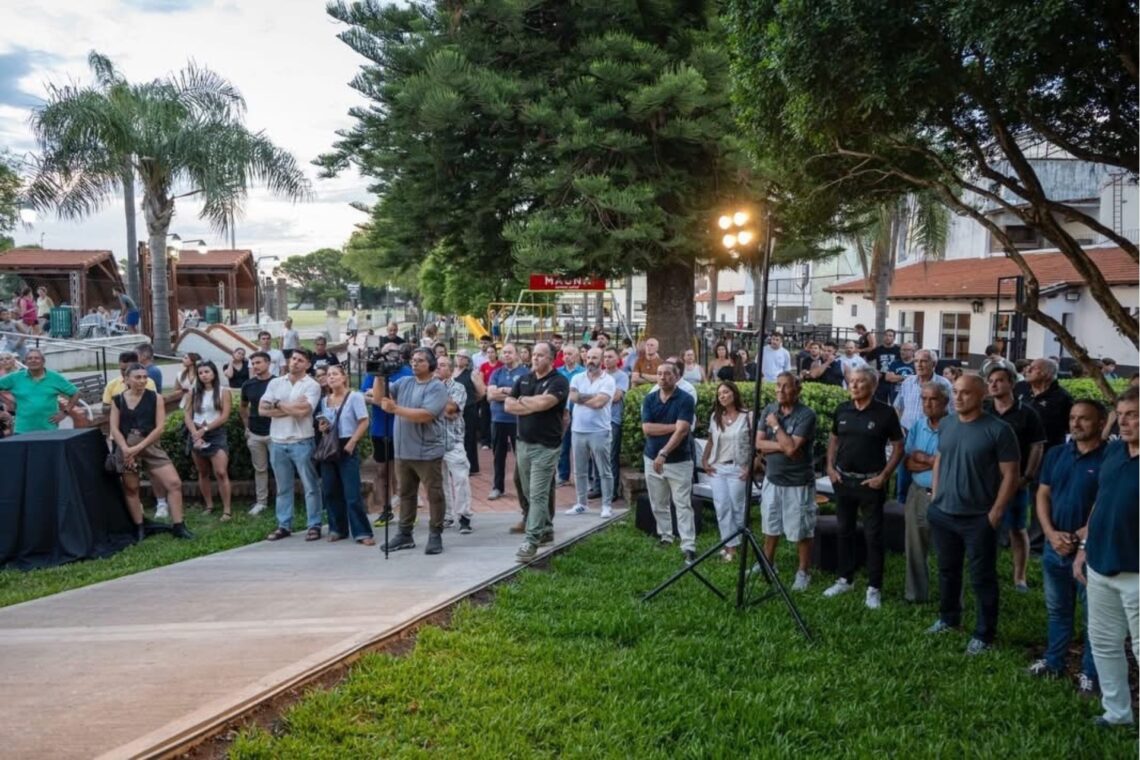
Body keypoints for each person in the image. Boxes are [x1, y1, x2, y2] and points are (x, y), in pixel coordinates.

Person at [925, 374, 1021, 654]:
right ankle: (948, 618)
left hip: (978, 518)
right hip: (943, 513)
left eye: (965, 393)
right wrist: (935, 495)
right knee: (947, 570)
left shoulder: (999, 430)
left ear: (982, 395)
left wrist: (995, 513)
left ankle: (984, 634)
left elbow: (1011, 474)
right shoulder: (947, 423)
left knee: (982, 577)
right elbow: (940, 458)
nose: (958, 397)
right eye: (955, 392)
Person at [1027, 399, 1106, 694]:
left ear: (1101, 423)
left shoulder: (1111, 457)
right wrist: (1050, 533)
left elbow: (1107, 503)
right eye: (1073, 417)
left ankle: (1091, 673)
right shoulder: (1057, 454)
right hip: (1054, 546)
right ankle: (1054, 662)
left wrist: (1082, 534)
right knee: (1058, 611)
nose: (1076, 423)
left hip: (1091, 550)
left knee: (1093, 617)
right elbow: (1043, 494)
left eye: (1084, 418)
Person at [1073, 386, 1138, 727]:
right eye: (1121, 415)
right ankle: (1117, 714)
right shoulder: (1114, 452)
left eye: (1133, 416)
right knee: (1104, 643)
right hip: (1100, 564)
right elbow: (1101, 501)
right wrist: (1084, 548)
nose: (1123, 422)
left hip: (1135, 572)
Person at [824, 367, 905, 608]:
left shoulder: (886, 413)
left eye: (860, 381)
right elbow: (834, 439)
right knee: (844, 530)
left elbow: (899, 447)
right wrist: (830, 467)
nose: (854, 385)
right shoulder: (842, 409)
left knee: (873, 535)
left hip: (871, 483)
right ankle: (845, 579)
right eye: (852, 381)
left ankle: (874, 587)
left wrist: (884, 476)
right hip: (843, 481)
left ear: (873, 385)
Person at [109, 364, 192, 541]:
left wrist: (137, 448)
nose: (142, 380)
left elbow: (160, 427)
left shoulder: (156, 398)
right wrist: (125, 449)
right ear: (127, 379)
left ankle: (179, 526)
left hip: (150, 447)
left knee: (174, 483)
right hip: (126, 450)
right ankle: (139, 527)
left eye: (145, 377)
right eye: (137, 377)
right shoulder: (118, 400)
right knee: (132, 488)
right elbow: (114, 428)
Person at [379, 347, 449, 555]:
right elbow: (380, 398)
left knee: (434, 494)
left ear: (430, 365)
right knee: (406, 493)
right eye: (413, 360)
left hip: (427, 451)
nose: (414, 363)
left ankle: (435, 534)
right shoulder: (404, 382)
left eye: (420, 360)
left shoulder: (436, 387)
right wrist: (379, 376)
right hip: (403, 450)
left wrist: (395, 409)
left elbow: (426, 414)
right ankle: (404, 534)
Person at [985, 365, 1046, 592]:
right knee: (985, 527)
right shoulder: (984, 410)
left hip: (1015, 482)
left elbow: (1037, 446)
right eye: (991, 380)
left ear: (1011, 383)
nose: (994, 384)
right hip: (986, 482)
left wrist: (1027, 476)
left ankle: (1020, 577)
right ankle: (986, 571)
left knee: (1017, 529)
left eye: (999, 380)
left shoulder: (1027, 413)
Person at [508, 341, 570, 560]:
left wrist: (523, 401)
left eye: (541, 355)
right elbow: (508, 405)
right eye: (534, 354)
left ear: (551, 359)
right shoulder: (524, 378)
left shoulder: (559, 381)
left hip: (546, 446)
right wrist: (529, 403)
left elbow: (544, 404)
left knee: (537, 494)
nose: (535, 358)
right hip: (523, 443)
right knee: (528, 491)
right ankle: (545, 529)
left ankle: (531, 541)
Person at [756, 372, 817, 589]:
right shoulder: (769, 409)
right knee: (770, 524)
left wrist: (775, 427)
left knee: (801, 529)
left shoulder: (806, 415)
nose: (780, 390)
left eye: (786, 386)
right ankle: (767, 564)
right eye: (777, 385)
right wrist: (784, 445)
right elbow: (759, 444)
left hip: (798, 482)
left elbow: (792, 449)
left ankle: (803, 572)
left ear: (797, 390)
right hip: (772, 478)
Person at [261, 349, 324, 542]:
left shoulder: (312, 385)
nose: (295, 362)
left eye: (300, 360)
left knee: (310, 486)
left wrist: (278, 404)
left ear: (308, 365)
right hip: (277, 441)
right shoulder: (275, 383)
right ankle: (284, 525)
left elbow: (304, 412)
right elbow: (262, 410)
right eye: (293, 358)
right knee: (283, 487)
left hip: (302, 441)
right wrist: (292, 406)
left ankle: (314, 525)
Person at [641, 361, 698, 563]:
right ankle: (666, 536)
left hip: (679, 461)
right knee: (658, 503)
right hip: (651, 458)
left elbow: (683, 432)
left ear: (677, 376)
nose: (662, 377)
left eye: (667, 374)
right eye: (659, 373)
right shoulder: (649, 399)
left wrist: (664, 452)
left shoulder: (686, 399)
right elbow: (647, 429)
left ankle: (688, 545)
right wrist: (674, 426)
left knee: (682, 504)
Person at [902, 381, 950, 603]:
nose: (927, 404)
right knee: (914, 546)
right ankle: (915, 595)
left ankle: (949, 599)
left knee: (947, 549)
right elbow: (908, 463)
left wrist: (925, 458)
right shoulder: (918, 426)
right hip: (918, 492)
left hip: (946, 495)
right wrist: (935, 461)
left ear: (945, 401)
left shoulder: (955, 427)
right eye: (924, 399)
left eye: (933, 399)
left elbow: (951, 466)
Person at [316, 365, 373, 545]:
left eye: (335, 374)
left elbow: (364, 421)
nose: (331, 377)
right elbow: (325, 425)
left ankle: (362, 532)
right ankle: (337, 529)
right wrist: (322, 427)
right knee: (330, 490)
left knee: (352, 492)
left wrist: (353, 442)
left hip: (347, 443)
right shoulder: (325, 400)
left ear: (344, 377)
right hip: (329, 446)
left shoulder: (354, 397)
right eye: (328, 375)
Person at [701, 380, 752, 563]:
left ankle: (739, 544)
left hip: (738, 467)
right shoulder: (715, 417)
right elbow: (710, 440)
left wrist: (752, 466)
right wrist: (704, 460)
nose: (722, 396)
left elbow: (757, 443)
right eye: (719, 394)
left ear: (734, 393)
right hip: (718, 468)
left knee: (738, 507)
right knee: (722, 507)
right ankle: (729, 546)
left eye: (725, 392)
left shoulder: (748, 416)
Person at [362, 343, 413, 523]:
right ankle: (386, 508)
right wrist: (382, 401)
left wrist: (380, 396)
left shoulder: (406, 372)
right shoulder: (374, 371)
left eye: (394, 352)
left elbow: (407, 398)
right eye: (386, 353)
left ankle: (406, 510)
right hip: (379, 428)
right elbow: (363, 395)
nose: (390, 356)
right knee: (382, 471)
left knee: (402, 471)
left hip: (401, 428)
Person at [893, 349, 953, 502]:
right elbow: (898, 406)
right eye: (916, 361)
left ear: (934, 364)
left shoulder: (943, 384)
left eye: (923, 361)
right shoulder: (908, 382)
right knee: (903, 477)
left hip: (933, 433)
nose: (919, 365)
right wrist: (899, 428)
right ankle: (903, 505)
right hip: (907, 434)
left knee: (932, 473)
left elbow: (952, 412)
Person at [565, 347, 616, 518]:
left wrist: (583, 397)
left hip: (600, 431)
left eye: (594, 358)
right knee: (579, 470)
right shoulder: (577, 378)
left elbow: (599, 403)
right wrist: (593, 396)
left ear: (601, 360)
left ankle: (607, 505)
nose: (590, 361)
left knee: (604, 470)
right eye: (588, 357)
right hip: (578, 430)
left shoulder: (608, 380)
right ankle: (581, 504)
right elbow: (573, 398)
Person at [184, 360, 233, 520]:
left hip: (215, 433)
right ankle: (209, 505)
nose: (204, 375)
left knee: (221, 472)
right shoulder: (193, 392)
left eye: (207, 372)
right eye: (200, 373)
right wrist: (195, 434)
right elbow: (187, 415)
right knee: (203, 472)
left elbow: (225, 416)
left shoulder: (223, 391)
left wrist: (204, 430)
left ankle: (227, 510)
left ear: (214, 373)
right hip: (196, 433)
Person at [0, 348, 79, 434]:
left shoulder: (54, 377)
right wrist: (2, 411)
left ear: (43, 361)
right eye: (29, 358)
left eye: (36, 358)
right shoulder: (15, 377)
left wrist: (65, 412)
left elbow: (76, 393)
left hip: (49, 429)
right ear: (25, 362)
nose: (33, 360)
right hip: (22, 429)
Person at [436, 355, 473, 534]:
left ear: (451, 370)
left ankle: (464, 516)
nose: (438, 368)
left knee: (460, 479)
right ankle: (447, 515)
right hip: (434, 441)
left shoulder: (458, 387)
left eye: (443, 365)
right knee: (440, 481)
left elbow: (452, 410)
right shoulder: (429, 386)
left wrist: (432, 407)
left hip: (453, 441)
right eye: (437, 365)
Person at [487, 344, 528, 500]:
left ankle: (524, 487)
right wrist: (511, 392)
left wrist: (501, 390)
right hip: (498, 419)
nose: (506, 355)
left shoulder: (525, 373)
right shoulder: (497, 372)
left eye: (510, 352)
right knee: (498, 455)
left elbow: (525, 395)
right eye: (504, 352)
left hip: (518, 419)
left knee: (521, 455)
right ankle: (498, 487)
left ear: (517, 354)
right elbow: (490, 395)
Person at [240, 351, 274, 516]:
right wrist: (247, 427)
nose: (255, 366)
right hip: (254, 433)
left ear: (268, 363)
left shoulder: (277, 382)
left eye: (258, 362)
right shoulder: (248, 385)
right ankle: (261, 502)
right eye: (253, 364)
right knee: (260, 469)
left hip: (275, 432)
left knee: (280, 468)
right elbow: (243, 407)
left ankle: (284, 499)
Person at [1014, 358, 1073, 452]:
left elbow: (1071, 427)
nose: (1028, 370)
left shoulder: (1062, 397)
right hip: (1019, 448)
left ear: (1047, 373)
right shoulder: (1019, 387)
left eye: (1034, 368)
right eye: (1029, 367)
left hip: (1048, 451)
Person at [556, 344, 585, 485]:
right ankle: (563, 475)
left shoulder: (583, 372)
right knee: (563, 445)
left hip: (579, 412)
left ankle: (581, 476)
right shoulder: (557, 372)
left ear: (577, 356)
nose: (567, 357)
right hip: (562, 412)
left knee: (580, 446)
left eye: (570, 354)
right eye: (565, 354)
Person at [603, 347, 629, 501]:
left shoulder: (622, 376)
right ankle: (598, 487)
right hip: (598, 421)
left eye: (610, 356)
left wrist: (598, 398)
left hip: (613, 420)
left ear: (618, 359)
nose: (607, 359)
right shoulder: (599, 375)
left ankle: (612, 490)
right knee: (596, 456)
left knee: (611, 456)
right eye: (605, 357)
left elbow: (616, 397)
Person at [454, 350, 483, 474]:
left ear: (468, 360)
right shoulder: (451, 372)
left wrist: (471, 400)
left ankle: (471, 466)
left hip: (469, 409)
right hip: (454, 410)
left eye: (463, 357)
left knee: (469, 438)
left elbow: (481, 392)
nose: (460, 358)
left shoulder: (472, 373)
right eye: (458, 356)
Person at [477, 343, 501, 449]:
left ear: (496, 353)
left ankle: (497, 440)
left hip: (498, 395)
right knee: (485, 418)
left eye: (492, 352)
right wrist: (487, 392)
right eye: (488, 352)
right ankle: (485, 441)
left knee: (497, 418)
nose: (490, 354)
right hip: (486, 395)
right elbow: (481, 381)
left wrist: (495, 393)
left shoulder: (501, 365)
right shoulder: (483, 366)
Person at [868, 329, 901, 402]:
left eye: (890, 336)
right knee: (881, 404)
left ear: (894, 338)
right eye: (886, 335)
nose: (888, 337)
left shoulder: (899, 350)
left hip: (894, 381)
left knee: (895, 404)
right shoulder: (878, 350)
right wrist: (873, 371)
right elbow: (866, 360)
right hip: (881, 381)